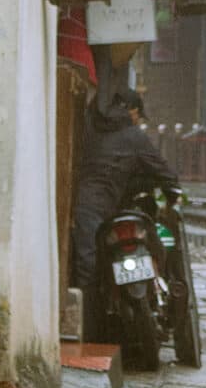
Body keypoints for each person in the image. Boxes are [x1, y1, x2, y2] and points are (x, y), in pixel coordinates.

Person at [69, 90, 178, 291]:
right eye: (138, 116)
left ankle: (90, 319)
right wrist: (173, 191)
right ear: (132, 111)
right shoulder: (134, 136)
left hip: (86, 205)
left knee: (90, 268)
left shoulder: (88, 128)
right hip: (112, 205)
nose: (137, 121)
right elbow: (162, 171)